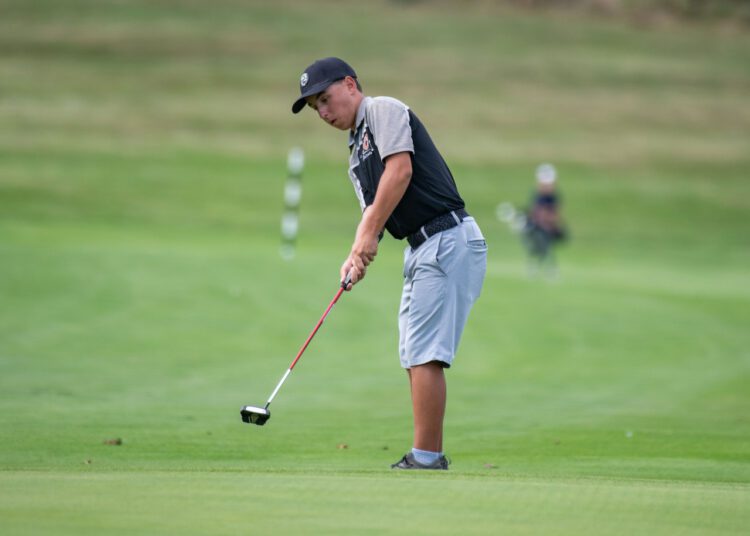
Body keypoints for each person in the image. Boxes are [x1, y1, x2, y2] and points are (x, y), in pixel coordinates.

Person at [292, 57, 487, 470]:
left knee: (425, 354)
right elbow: (374, 216)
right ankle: (427, 454)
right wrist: (356, 255)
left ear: (350, 85)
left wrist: (366, 234)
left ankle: (427, 458)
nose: (323, 112)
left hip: (446, 237)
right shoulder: (355, 155)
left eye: (325, 99)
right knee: (413, 352)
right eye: (315, 107)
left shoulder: (383, 110)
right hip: (421, 247)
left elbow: (400, 172)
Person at [522, 163, 566, 277]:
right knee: (538, 246)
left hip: (548, 227)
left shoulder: (553, 197)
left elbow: (555, 213)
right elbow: (535, 212)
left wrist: (550, 222)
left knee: (546, 247)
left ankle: (548, 268)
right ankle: (538, 266)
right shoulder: (538, 196)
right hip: (537, 226)